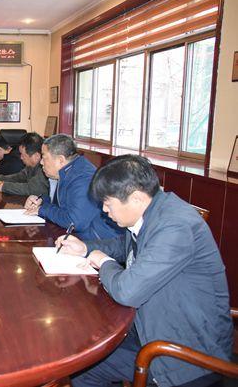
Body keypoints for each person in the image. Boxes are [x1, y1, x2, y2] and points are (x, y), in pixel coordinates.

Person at [58, 155, 233, 387]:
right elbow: (123, 246)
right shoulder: (153, 211)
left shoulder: (175, 225)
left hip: (184, 356)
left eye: (108, 203)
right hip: (151, 326)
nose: (104, 210)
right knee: (81, 352)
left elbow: (127, 291)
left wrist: (104, 262)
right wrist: (85, 248)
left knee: (83, 367)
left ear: (137, 198)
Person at [24, 134, 121, 240]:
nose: (41, 162)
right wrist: (41, 201)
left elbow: (74, 222)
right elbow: (61, 206)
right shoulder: (67, 171)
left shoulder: (83, 178)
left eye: (44, 157)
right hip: (77, 236)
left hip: (97, 242)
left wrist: (42, 209)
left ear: (60, 160)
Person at [0, 132, 49, 196]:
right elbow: (20, 176)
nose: (21, 157)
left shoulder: (45, 168)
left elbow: (30, 189)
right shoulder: (31, 165)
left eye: (22, 154)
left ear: (36, 156)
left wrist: (1, 186)